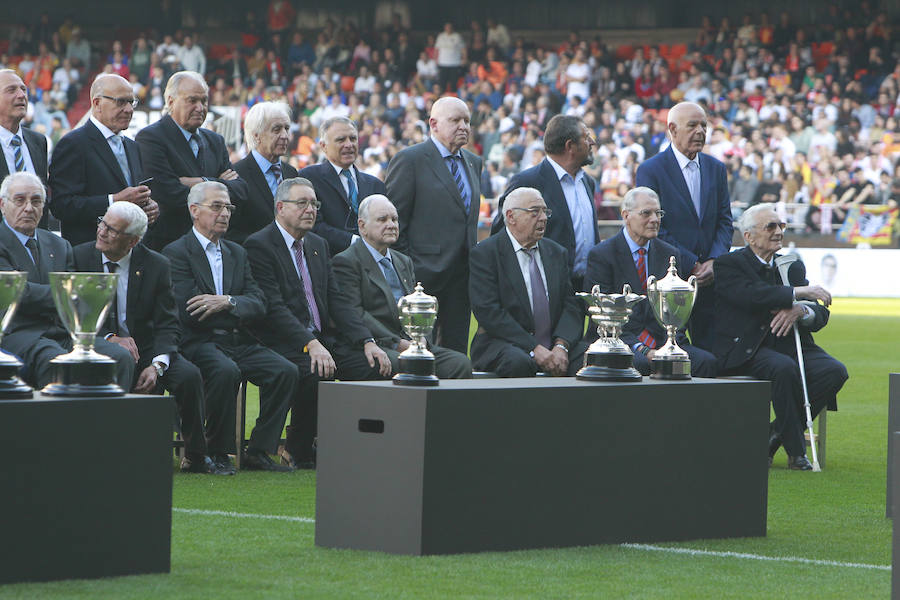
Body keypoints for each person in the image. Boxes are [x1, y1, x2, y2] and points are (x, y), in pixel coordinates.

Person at [244, 177, 392, 469]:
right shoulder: (259, 245)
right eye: (302, 203)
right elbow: (273, 308)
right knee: (315, 370)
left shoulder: (318, 244)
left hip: (322, 339)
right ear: (280, 207)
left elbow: (337, 301)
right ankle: (295, 449)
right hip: (281, 339)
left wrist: (367, 341)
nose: (310, 209)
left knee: (373, 365)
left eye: (314, 204)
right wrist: (310, 344)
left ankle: (354, 443)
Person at [72, 201, 225, 474]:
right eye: (102, 223)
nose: (102, 232)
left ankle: (196, 455)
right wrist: (109, 338)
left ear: (132, 241)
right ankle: (113, 450)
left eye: (111, 229)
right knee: (119, 362)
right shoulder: (79, 257)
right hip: (98, 346)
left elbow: (168, 323)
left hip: (149, 350)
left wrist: (157, 365)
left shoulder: (156, 264)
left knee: (188, 376)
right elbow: (72, 314)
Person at [162, 181, 297, 473]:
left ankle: (259, 450)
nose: (225, 213)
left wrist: (228, 302)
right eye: (217, 206)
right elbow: (191, 309)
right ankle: (216, 452)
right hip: (199, 340)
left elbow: (259, 303)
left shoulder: (237, 252)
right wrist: (237, 307)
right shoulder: (177, 253)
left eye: (229, 207)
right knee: (225, 371)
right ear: (194, 210)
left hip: (238, 339)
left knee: (285, 371)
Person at [713, 204, 848, 471]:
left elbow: (820, 314)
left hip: (790, 343)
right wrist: (796, 294)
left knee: (835, 371)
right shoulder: (728, 263)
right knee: (783, 368)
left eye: (781, 226)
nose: (778, 232)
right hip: (749, 347)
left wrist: (801, 310)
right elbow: (752, 296)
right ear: (749, 236)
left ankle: (774, 435)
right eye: (771, 226)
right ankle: (797, 453)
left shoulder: (791, 265)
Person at [0, 172, 134, 390]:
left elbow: (76, 294)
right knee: (55, 359)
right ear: (2, 204)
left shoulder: (58, 244)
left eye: (36, 201)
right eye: (20, 200)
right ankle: (62, 424)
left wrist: (69, 294)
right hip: (17, 334)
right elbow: (17, 293)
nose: (28, 208)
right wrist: (65, 294)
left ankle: (110, 423)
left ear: (43, 207)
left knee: (119, 356)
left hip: (63, 333)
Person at [332, 194, 472, 379]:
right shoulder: (347, 261)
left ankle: (439, 409)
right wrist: (397, 343)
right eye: (382, 219)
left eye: (394, 219)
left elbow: (415, 308)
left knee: (459, 363)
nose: (391, 224)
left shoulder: (403, 261)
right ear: (362, 226)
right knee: (406, 365)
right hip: (375, 344)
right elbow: (356, 313)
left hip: (410, 343)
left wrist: (421, 339)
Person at [583, 186, 717, 377]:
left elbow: (674, 311)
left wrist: (670, 346)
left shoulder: (670, 254)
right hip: (618, 341)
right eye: (646, 213)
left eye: (658, 213)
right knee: (638, 363)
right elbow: (604, 319)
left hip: (662, 340)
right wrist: (643, 350)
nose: (655, 219)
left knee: (705, 362)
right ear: (626, 215)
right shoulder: (602, 255)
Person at [384, 96, 481, 354]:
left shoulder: (474, 162)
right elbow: (395, 223)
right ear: (433, 124)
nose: (463, 126)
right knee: (420, 351)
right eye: (455, 120)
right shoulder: (410, 160)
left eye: (467, 121)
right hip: (422, 278)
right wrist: (409, 267)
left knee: (457, 350)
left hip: (462, 276)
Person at [635, 101, 733, 351]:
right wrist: (692, 263)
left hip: (712, 284)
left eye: (704, 125)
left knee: (712, 358)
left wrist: (714, 260)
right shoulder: (651, 170)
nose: (700, 131)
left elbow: (724, 221)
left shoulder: (716, 169)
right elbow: (654, 227)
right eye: (692, 126)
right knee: (671, 356)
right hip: (672, 280)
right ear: (672, 129)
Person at [469, 187, 587, 377]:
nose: (543, 218)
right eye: (534, 212)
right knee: (519, 362)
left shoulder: (556, 253)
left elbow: (571, 305)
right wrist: (533, 348)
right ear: (511, 216)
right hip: (505, 343)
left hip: (553, 344)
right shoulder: (486, 253)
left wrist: (561, 345)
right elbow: (488, 312)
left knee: (595, 358)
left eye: (545, 211)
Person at [136, 71, 248, 251]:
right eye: (192, 100)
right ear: (171, 102)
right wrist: (220, 187)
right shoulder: (150, 138)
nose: (200, 107)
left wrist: (200, 182)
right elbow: (168, 195)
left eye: (204, 101)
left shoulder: (215, 141)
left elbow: (240, 191)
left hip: (213, 247)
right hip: (168, 245)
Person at [49, 74, 159, 247]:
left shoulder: (133, 146)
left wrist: (148, 207)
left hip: (130, 252)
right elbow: (61, 206)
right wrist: (113, 201)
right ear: (97, 103)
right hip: (91, 254)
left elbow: (133, 196)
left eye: (132, 102)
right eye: (121, 102)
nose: (129, 109)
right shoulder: (73, 144)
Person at [492, 114, 600, 292]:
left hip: (584, 288)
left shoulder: (587, 182)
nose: (592, 142)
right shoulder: (527, 181)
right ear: (570, 146)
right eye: (586, 137)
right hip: (543, 290)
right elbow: (501, 234)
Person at [299, 116, 386, 254]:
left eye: (353, 139)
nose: (349, 144)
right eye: (341, 140)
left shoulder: (375, 185)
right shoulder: (308, 178)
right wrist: (356, 242)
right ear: (323, 146)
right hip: (331, 264)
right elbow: (312, 226)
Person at [230, 101, 297, 244]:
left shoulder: (292, 173)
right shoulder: (236, 175)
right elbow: (231, 232)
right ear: (256, 135)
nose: (285, 136)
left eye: (286, 128)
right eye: (276, 129)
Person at [0, 69, 49, 229]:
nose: (21, 95)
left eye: (23, 89)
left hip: (34, 244)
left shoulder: (38, 141)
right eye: (11, 90)